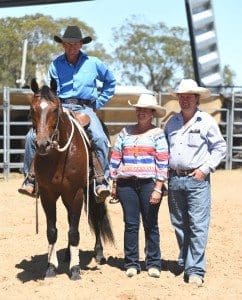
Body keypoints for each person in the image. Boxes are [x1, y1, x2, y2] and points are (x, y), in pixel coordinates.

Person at [18, 25, 116, 201]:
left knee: (100, 138)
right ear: (63, 45)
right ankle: (30, 179)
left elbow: (110, 82)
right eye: (68, 44)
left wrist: (98, 103)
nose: (72, 47)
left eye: (75, 44)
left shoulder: (94, 63)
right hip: (61, 107)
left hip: (85, 107)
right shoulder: (55, 64)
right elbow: (52, 91)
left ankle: (102, 180)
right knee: (31, 138)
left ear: (81, 44)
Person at [164, 79, 226, 287]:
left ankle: (195, 270)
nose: (185, 100)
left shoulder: (206, 121)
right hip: (175, 179)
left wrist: (205, 169)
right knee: (179, 224)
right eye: (181, 96)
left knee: (198, 225)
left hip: (196, 179)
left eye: (189, 96)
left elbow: (220, 147)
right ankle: (185, 261)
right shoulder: (171, 122)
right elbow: (165, 151)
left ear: (197, 99)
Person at [109, 94, 168, 278]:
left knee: (151, 223)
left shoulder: (157, 134)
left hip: (149, 183)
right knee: (131, 224)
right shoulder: (125, 132)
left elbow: (163, 161)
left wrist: (159, 187)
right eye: (139, 109)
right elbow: (116, 157)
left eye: (146, 110)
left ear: (152, 113)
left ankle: (153, 263)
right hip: (126, 183)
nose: (142, 113)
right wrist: (114, 181)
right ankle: (132, 262)